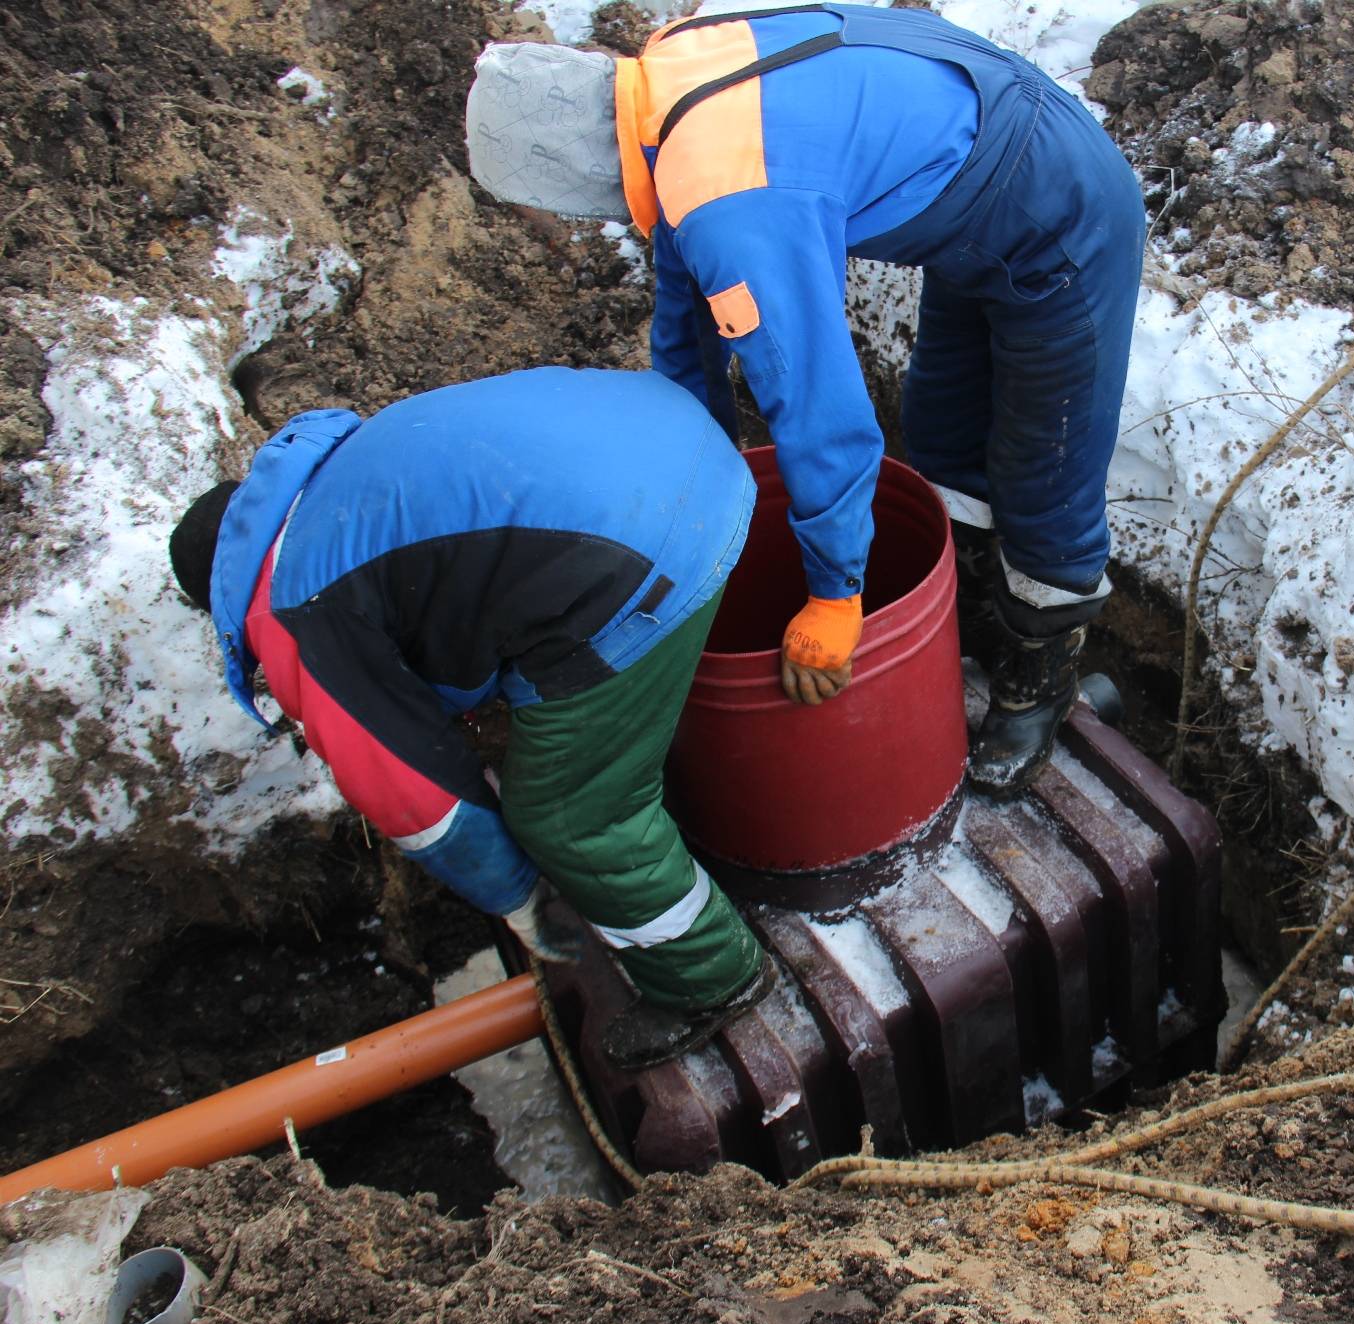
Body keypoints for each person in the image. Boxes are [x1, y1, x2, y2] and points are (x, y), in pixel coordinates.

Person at [464, 3, 1145, 794]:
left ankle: (1036, 691)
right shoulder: (667, 83)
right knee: (944, 447)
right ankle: (966, 632)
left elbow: (824, 416)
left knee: (1042, 483)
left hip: (1063, 216)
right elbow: (684, 329)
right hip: (976, 199)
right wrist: (697, 499)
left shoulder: (732, 199)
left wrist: (831, 595)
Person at [168, 367, 777, 1071]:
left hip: (640, 549)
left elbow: (420, 802)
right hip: (693, 448)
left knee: (568, 815)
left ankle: (713, 978)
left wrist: (521, 897)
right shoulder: (339, 478)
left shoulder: (294, 610)